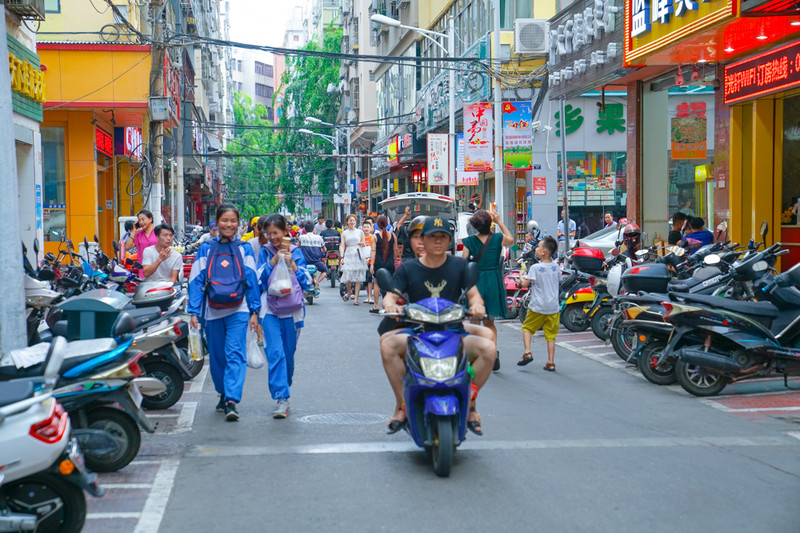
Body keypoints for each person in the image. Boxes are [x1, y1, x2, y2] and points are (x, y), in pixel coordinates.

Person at [381, 216, 496, 435]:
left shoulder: (460, 266)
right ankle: (401, 405)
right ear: (422, 239)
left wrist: (477, 306)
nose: (438, 241)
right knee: (387, 346)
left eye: (443, 237)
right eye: (432, 236)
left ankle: (470, 401)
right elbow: (390, 296)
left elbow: (474, 296)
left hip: (453, 330)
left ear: (449, 240)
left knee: (489, 349)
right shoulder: (408, 269)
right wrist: (391, 306)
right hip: (417, 331)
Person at [187, 204, 260, 422]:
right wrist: (193, 311)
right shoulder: (205, 248)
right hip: (212, 311)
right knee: (217, 357)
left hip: (240, 309)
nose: (229, 225)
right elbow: (196, 281)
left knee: (235, 353)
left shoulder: (244, 248)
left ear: (239, 224)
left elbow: (252, 281)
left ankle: (231, 400)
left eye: (233, 221)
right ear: (217, 223)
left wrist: (255, 311)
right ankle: (223, 392)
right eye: (224, 220)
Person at [257, 214, 311, 419]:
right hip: (269, 311)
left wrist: (293, 265)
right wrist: (272, 262)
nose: (272, 237)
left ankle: (284, 386)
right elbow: (258, 280)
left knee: (288, 355)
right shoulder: (264, 252)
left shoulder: (296, 252)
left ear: (285, 232)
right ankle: (281, 397)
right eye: (268, 233)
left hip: (293, 312)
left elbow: (308, 282)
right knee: (276, 353)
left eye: (276, 233)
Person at [461, 209, 514, 371]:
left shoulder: (469, 241)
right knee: (490, 322)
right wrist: (499, 221)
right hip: (493, 280)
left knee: (474, 321)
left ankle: (477, 354)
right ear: (489, 224)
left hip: (476, 281)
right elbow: (511, 240)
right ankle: (493, 352)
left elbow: (463, 263)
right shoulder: (498, 238)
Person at [517, 236, 560, 371]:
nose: (535, 249)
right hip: (553, 307)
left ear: (544, 252)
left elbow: (524, 284)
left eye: (538, 247)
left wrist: (521, 274)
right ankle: (550, 362)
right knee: (551, 335)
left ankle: (527, 352)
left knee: (527, 328)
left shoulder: (535, 267)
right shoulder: (556, 267)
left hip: (537, 306)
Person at [369, 215, 397, 314]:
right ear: (386, 224)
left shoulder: (375, 237)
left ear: (377, 225)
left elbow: (373, 251)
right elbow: (395, 250)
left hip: (379, 262)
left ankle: (376, 305)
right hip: (390, 263)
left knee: (376, 284)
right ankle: (389, 305)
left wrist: (371, 265)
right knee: (390, 284)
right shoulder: (393, 235)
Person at [340, 214, 367, 305]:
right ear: (347, 222)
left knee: (358, 277)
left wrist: (362, 244)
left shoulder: (360, 232)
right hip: (348, 254)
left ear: (356, 222)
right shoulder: (344, 233)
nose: (352, 222)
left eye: (353, 220)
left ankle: (356, 298)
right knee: (347, 275)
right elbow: (342, 245)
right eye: (350, 220)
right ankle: (349, 291)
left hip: (358, 253)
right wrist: (342, 256)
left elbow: (364, 243)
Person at [126, 209, 158, 276]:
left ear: (150, 219)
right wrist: (134, 232)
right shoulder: (138, 234)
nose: (141, 222)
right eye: (139, 220)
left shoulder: (158, 232)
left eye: (143, 219)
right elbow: (128, 247)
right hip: (143, 269)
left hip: (157, 268)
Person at [299, 220, 327, 289]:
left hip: (305, 261)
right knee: (325, 271)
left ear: (304, 229)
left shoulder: (301, 237)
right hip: (316, 261)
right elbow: (324, 249)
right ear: (313, 228)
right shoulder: (319, 238)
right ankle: (317, 283)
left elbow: (297, 246)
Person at [361, 218, 375, 306]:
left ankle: (370, 296)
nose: (366, 228)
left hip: (371, 261)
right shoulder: (360, 238)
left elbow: (374, 250)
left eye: (367, 227)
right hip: (362, 261)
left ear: (371, 228)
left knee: (370, 278)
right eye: (364, 227)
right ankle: (367, 295)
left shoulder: (373, 237)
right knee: (365, 280)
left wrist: (369, 259)